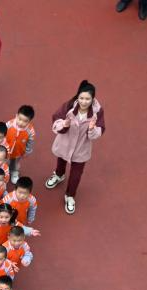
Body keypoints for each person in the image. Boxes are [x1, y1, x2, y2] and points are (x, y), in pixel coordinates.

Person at [45, 80, 105, 215]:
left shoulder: (97, 112)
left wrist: (92, 129)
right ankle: (59, 175)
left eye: (87, 99)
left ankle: (70, 195)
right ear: (78, 97)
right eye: (81, 98)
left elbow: (99, 131)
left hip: (81, 148)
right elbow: (56, 121)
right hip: (65, 143)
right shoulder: (69, 106)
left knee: (76, 174)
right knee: (61, 161)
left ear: (92, 98)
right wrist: (64, 124)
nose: (84, 101)